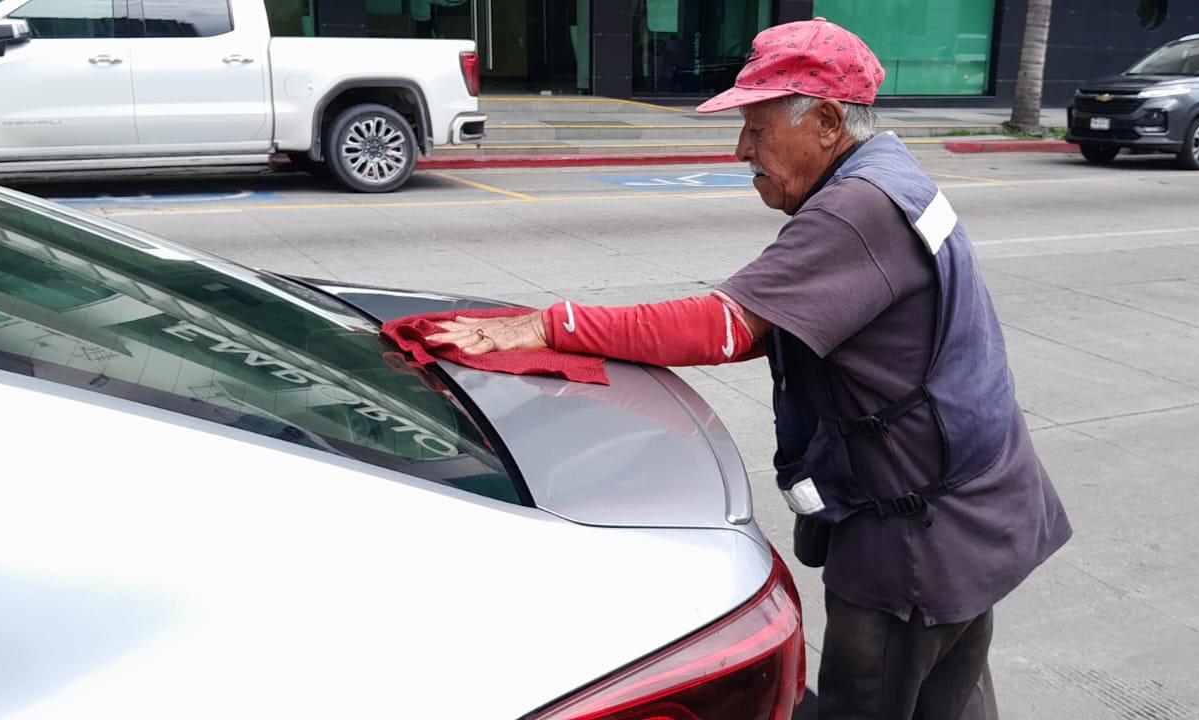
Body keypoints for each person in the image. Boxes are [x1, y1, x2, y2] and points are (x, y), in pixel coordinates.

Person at [427, 18, 1071, 720]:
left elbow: (725, 325)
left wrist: (549, 325)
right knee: (949, 697)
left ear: (826, 121)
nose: (741, 151)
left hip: (916, 541)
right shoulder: (891, 174)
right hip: (972, 512)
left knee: (873, 700)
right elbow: (794, 326)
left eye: (758, 130)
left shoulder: (856, 211)